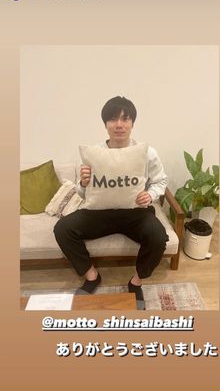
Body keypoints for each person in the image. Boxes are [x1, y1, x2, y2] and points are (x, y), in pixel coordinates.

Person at [54, 96, 168, 310]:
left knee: (158, 236)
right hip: (100, 213)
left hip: (134, 212)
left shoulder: (146, 152)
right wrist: (83, 182)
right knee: (62, 229)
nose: (119, 124)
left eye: (125, 119)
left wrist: (150, 194)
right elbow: (82, 193)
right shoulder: (94, 153)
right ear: (105, 124)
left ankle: (136, 282)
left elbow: (161, 180)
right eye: (113, 119)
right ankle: (92, 276)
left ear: (133, 123)